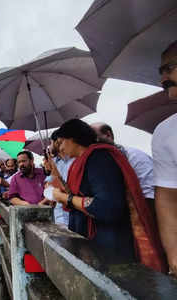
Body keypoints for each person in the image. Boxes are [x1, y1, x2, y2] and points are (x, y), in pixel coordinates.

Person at [48, 119, 167, 272]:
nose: (59, 149)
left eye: (60, 142)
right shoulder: (79, 163)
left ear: (73, 138)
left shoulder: (99, 158)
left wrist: (65, 198)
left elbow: (107, 207)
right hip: (93, 244)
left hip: (110, 246)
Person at [153, 40, 177, 276]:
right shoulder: (165, 132)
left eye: (169, 68)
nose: (162, 80)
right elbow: (168, 197)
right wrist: (174, 256)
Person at [91, 122, 154, 201]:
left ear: (108, 135)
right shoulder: (97, 163)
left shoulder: (136, 157)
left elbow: (149, 196)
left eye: (94, 139)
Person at [42, 130, 73, 226]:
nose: (49, 147)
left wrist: (55, 174)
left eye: (50, 143)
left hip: (71, 214)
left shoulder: (73, 161)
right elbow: (48, 184)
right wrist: (50, 171)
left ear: (57, 142)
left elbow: (68, 190)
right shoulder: (54, 161)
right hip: (58, 214)